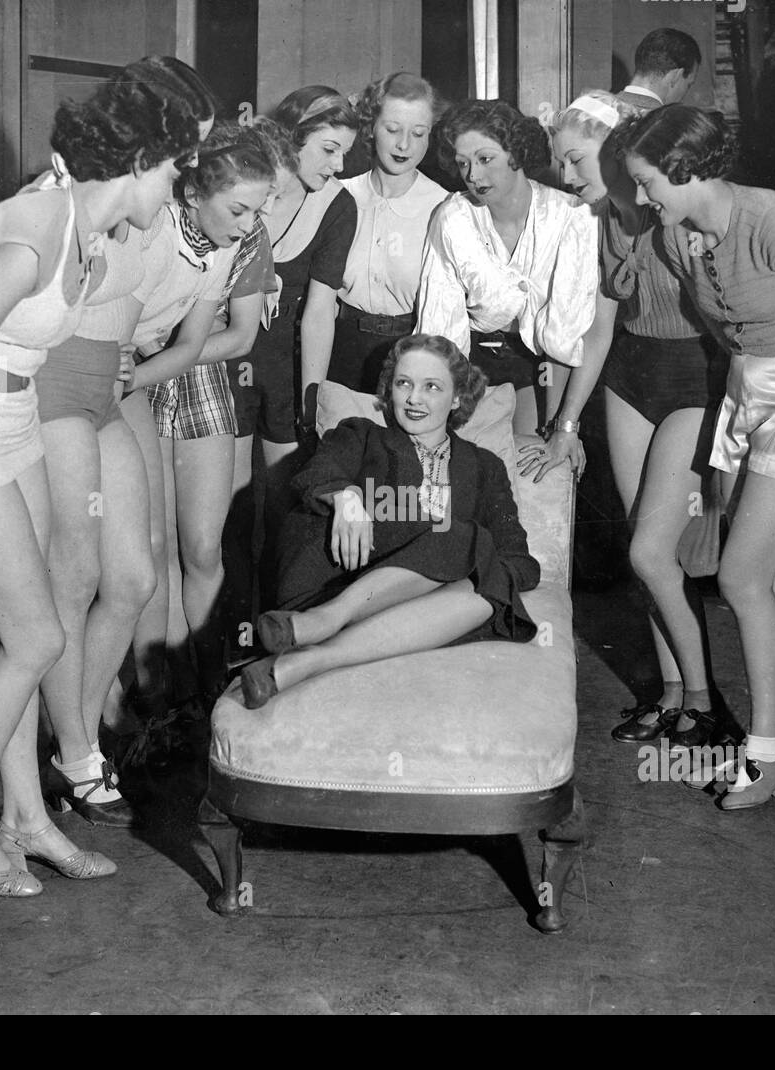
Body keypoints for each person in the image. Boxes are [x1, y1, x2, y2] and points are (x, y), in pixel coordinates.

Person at [0, 56, 203, 892]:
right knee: (34, 638)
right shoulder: (34, 231)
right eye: (174, 170)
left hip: (11, 410)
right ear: (138, 163)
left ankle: (24, 819)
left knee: (28, 630)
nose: (177, 190)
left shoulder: (84, 228)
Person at [621, 105, 775, 809]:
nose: (643, 198)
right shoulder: (679, 237)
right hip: (748, 390)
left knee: (739, 577)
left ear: (686, 168)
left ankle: (765, 756)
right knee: (763, 580)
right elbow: (721, 325)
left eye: (648, 183)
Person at [34, 60, 217, 827]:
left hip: (112, 388)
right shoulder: (62, 199)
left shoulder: (155, 207)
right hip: (53, 392)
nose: (193, 167)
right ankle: (76, 750)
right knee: (69, 581)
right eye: (187, 149)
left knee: (135, 579)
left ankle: (69, 729)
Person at [541, 90, 733, 749]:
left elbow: (730, 323)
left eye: (574, 160)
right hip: (629, 377)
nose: (566, 177)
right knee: (640, 550)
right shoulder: (601, 220)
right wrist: (566, 424)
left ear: (619, 148)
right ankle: (671, 693)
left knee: (654, 552)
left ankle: (707, 700)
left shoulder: (673, 213)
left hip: (692, 381)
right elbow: (597, 332)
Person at [240, 333, 540, 707]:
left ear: (458, 398)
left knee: (486, 575)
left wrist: (472, 573)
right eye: (404, 384)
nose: (415, 398)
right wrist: (346, 497)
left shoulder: (485, 467)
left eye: (432, 387)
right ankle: (329, 617)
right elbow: (317, 476)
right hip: (332, 580)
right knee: (467, 539)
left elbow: (520, 561)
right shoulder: (361, 435)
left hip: (413, 613)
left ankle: (306, 660)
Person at [111, 123, 276, 749]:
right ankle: (156, 695)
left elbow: (211, 342)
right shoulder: (148, 223)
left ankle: (202, 683)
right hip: (118, 376)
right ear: (196, 190)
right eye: (239, 208)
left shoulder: (237, 240)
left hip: (176, 375)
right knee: (147, 552)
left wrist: (132, 372)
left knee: (203, 548)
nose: (250, 222)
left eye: (256, 209)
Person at [226, 86, 359, 616]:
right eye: (328, 148)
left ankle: (275, 625)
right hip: (225, 365)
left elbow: (320, 310)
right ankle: (227, 628)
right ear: (293, 138)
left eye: (346, 151)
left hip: (284, 370)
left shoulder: (337, 205)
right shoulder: (243, 186)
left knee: (285, 506)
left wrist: (313, 398)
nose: (339, 163)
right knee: (232, 511)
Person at [416, 99, 600, 436]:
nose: (473, 175)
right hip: (472, 363)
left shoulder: (571, 216)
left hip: (545, 367)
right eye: (463, 163)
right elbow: (441, 325)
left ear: (516, 153)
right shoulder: (452, 217)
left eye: (485, 159)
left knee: (532, 463)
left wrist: (560, 426)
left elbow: (566, 332)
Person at [329, 72, 447, 394]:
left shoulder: (445, 208)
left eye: (418, 133)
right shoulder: (339, 196)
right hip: (341, 353)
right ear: (371, 128)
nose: (404, 144)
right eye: (393, 129)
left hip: (412, 355)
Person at [615, 27, 702, 111]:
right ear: (676, 76)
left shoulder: (603, 109)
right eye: (688, 85)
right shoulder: (671, 124)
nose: (683, 97)